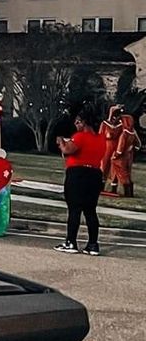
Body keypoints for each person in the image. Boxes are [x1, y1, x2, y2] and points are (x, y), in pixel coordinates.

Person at [56, 111, 105, 254]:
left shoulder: (80, 137)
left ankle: (71, 242)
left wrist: (61, 142)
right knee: (90, 211)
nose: (76, 124)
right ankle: (93, 244)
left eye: (78, 122)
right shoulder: (100, 139)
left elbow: (68, 149)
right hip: (95, 175)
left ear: (84, 122)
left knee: (75, 209)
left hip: (78, 174)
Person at [109, 112, 141, 199]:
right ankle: (129, 191)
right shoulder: (133, 132)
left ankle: (126, 192)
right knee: (127, 173)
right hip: (129, 156)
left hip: (121, 157)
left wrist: (115, 155)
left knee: (121, 173)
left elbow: (120, 147)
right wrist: (132, 149)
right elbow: (138, 144)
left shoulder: (124, 134)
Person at [99, 106, 121, 192]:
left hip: (116, 147)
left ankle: (113, 188)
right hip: (106, 146)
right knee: (104, 166)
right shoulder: (104, 124)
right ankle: (101, 186)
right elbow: (100, 135)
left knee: (115, 167)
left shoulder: (121, 125)